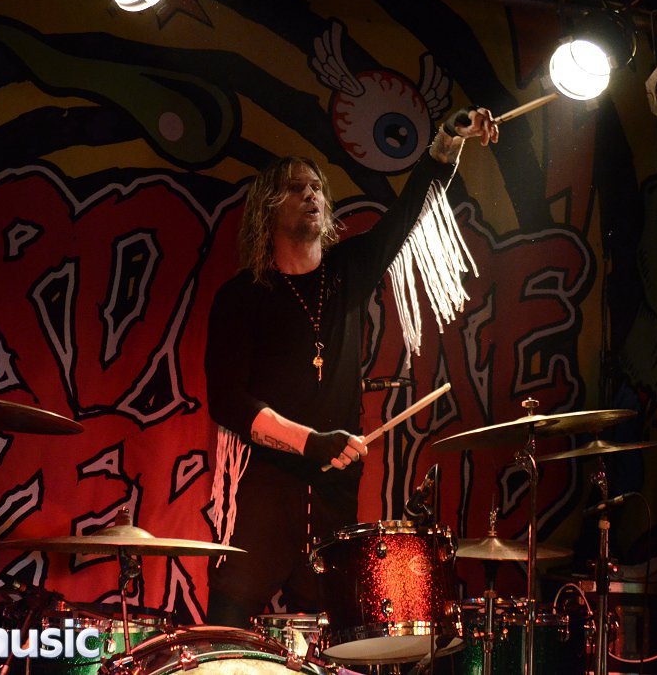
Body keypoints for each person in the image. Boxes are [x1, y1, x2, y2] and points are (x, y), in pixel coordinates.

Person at [204, 107, 499, 626]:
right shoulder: (241, 296)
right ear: (268, 207)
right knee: (227, 629)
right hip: (264, 485)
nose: (311, 194)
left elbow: (408, 214)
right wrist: (308, 440)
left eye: (317, 187)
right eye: (296, 188)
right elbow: (227, 400)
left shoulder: (347, 271)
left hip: (334, 491)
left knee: (333, 631)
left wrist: (449, 142)